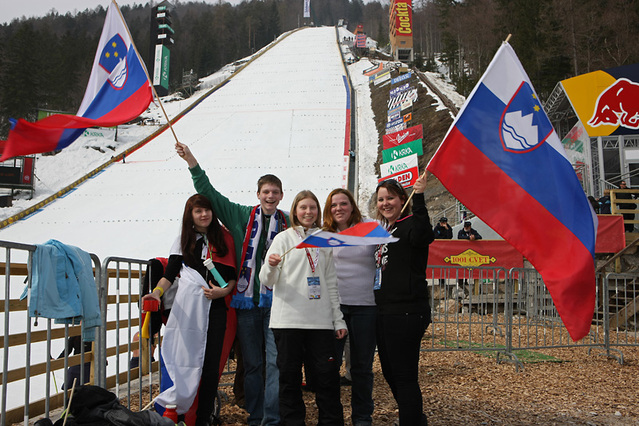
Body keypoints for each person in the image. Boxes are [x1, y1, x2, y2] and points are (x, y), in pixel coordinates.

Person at [177, 141, 288, 426]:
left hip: (278, 304)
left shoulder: (288, 223)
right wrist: (192, 161)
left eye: (275, 192)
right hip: (246, 303)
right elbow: (210, 195)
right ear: (258, 194)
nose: (270, 196)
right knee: (252, 364)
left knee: (274, 363)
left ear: (281, 195)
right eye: (266, 192)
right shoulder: (241, 215)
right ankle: (256, 415)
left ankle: (272, 417)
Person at [142, 194, 237, 426]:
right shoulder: (184, 239)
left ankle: (203, 418)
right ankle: (181, 413)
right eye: (198, 211)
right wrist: (157, 292)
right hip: (189, 307)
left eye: (207, 210)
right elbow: (170, 273)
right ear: (190, 216)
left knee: (211, 364)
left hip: (216, 307)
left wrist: (222, 293)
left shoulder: (223, 237)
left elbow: (233, 276)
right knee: (185, 358)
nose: (204, 215)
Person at [260, 190, 347, 426]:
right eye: (303, 208)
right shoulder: (283, 238)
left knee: (326, 378)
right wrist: (270, 265)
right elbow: (267, 280)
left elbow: (330, 282)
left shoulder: (324, 239)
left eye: (313, 208)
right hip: (287, 322)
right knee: (289, 380)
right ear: (295, 211)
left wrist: (338, 320)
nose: (308, 212)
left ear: (318, 211)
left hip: (319, 322)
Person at [374, 175, 434, 426]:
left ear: (402, 199)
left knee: (404, 374)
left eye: (390, 198)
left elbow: (423, 235)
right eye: (380, 199)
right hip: (385, 311)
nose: (385, 203)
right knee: (390, 372)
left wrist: (418, 197)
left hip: (407, 311)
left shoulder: (411, 223)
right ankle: (415, 417)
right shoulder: (385, 230)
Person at [322, 188, 376, 426]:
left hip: (365, 306)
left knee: (362, 368)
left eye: (343, 204)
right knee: (330, 366)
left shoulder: (370, 226)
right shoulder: (323, 233)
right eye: (334, 205)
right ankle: (332, 418)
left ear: (352, 206)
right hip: (335, 308)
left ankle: (362, 417)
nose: (339, 209)